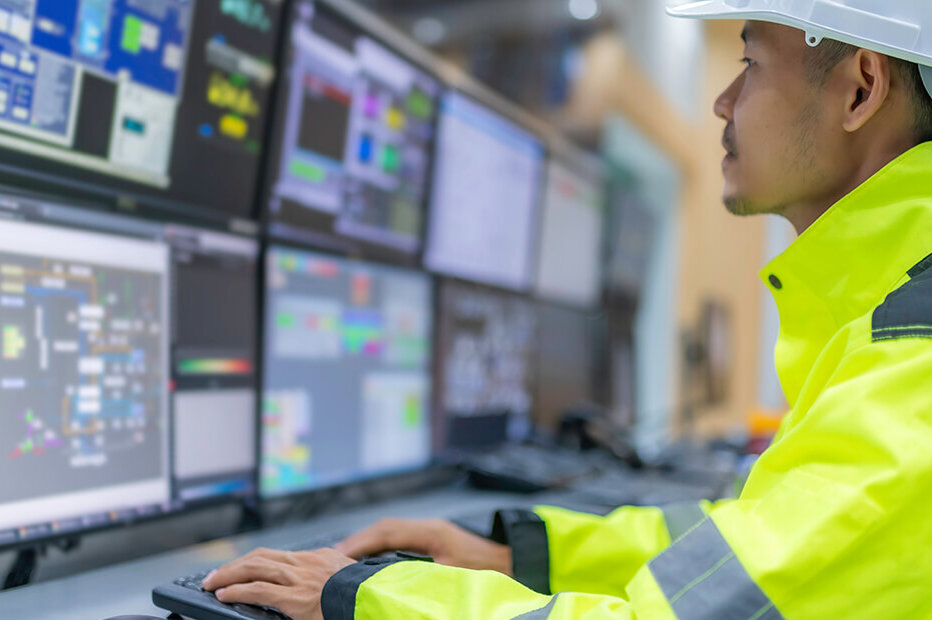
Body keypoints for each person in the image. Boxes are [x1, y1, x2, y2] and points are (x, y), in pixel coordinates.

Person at [202, 3, 932, 618]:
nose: (722, 102)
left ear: (860, 89)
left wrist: (365, 595)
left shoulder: (915, 371)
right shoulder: (887, 327)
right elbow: (744, 554)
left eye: (750, 64)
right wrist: (520, 554)